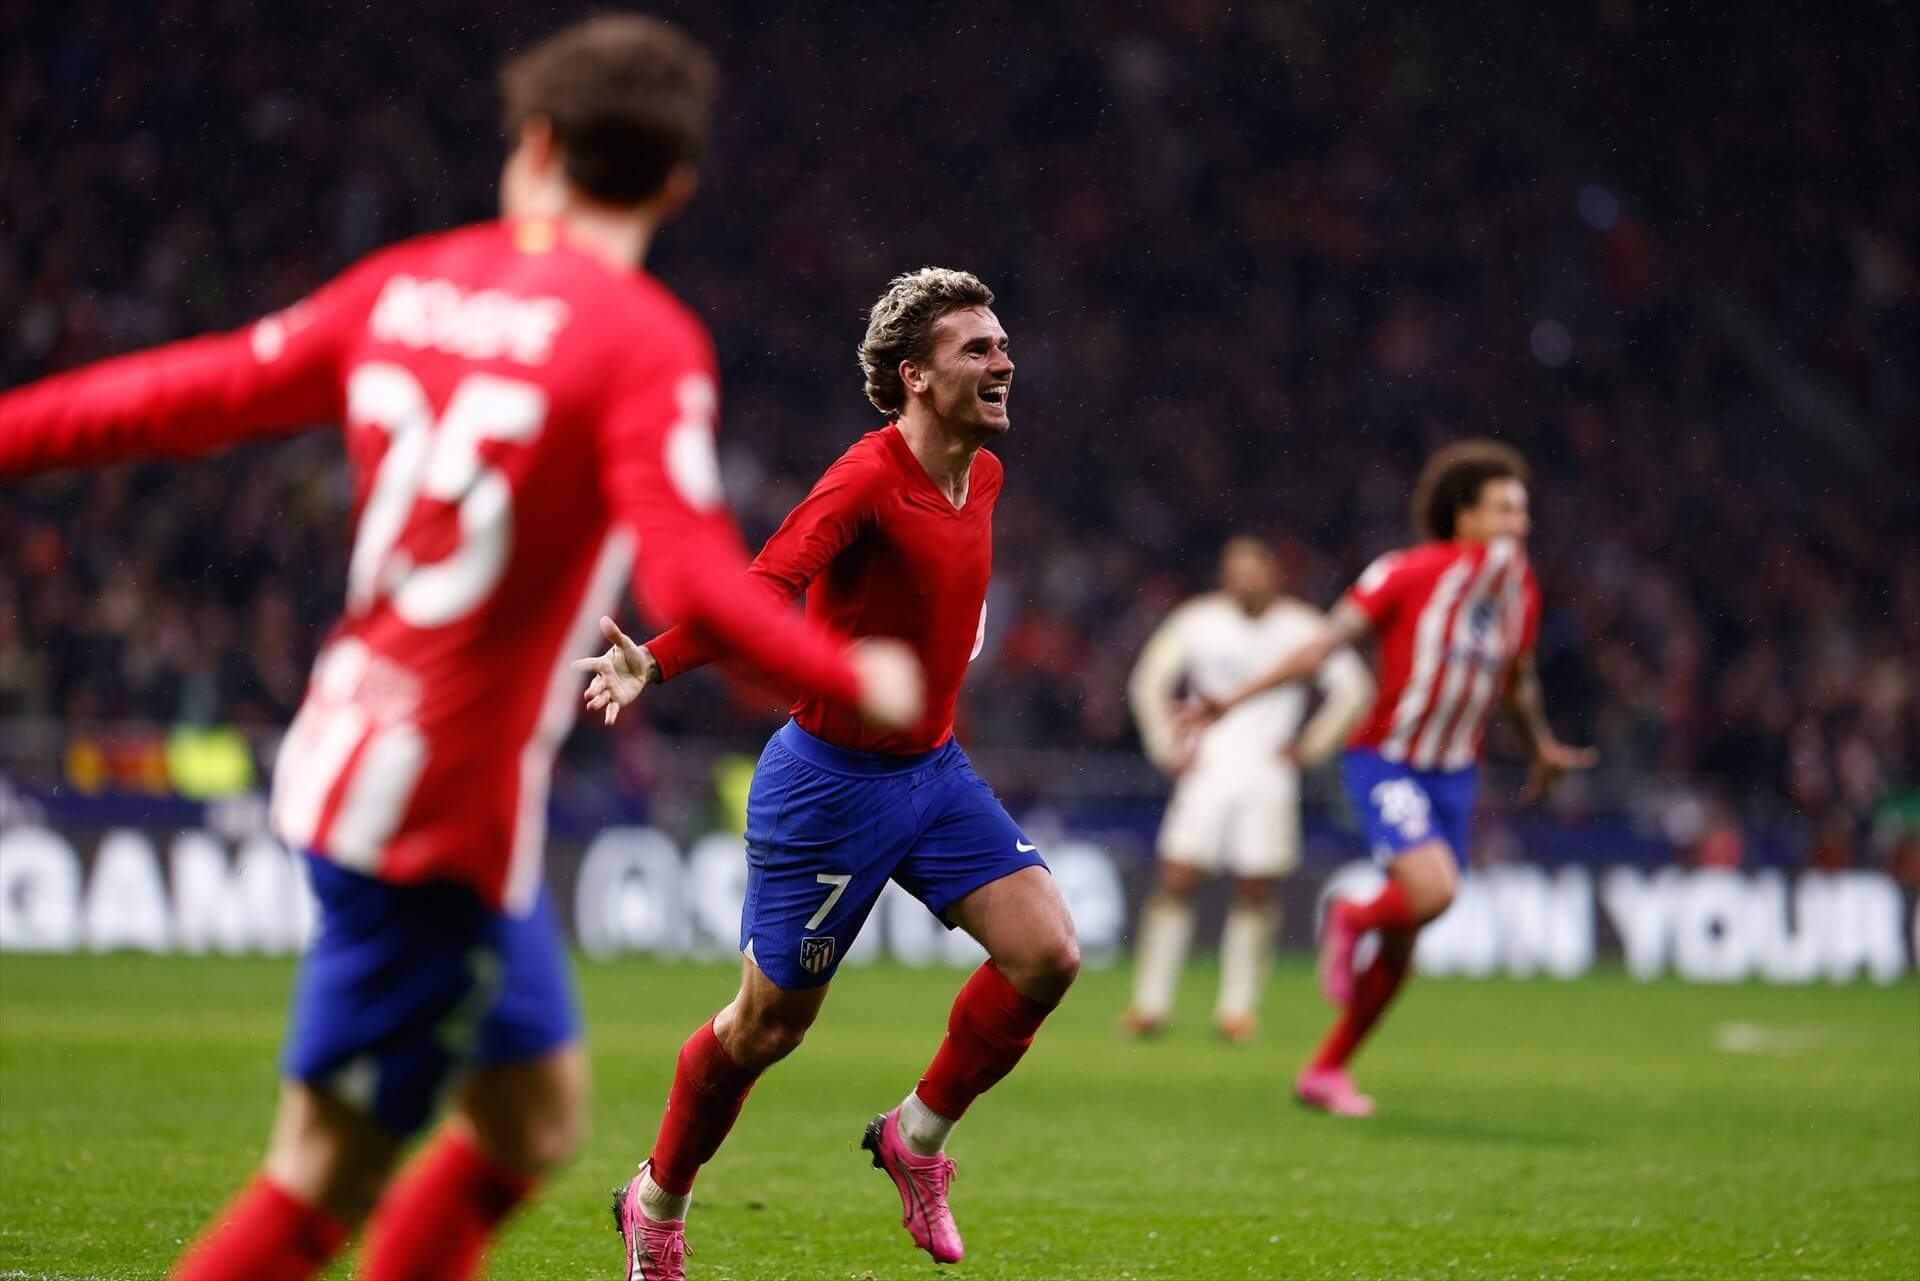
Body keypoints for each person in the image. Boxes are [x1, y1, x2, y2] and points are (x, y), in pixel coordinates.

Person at [0, 17, 923, 1281]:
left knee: (530, 1121)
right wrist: (840, 670)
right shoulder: (640, 338)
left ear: (533, 144)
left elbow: (188, 395)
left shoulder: (406, 285)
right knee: (321, 1179)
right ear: (672, 186)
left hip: (366, 754)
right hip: (433, 812)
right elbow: (694, 569)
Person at [578, 268, 1080, 1280]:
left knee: (1047, 954)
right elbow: (763, 587)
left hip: (933, 774)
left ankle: (915, 1139)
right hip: (828, 790)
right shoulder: (864, 478)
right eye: (976, 350)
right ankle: (656, 1200)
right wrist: (656, 660)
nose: (1002, 361)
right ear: (914, 378)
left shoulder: (982, 474)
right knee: (765, 1032)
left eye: (1002, 343)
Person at [1190, 440, 1594, 1117]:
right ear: (1461, 515)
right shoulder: (1404, 572)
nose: (1518, 525)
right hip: (1387, 759)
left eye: (1523, 511)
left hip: (1454, 775)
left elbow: (1517, 680)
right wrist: (1233, 700)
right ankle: (1349, 913)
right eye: (1503, 509)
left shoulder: (1518, 589)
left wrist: (1540, 745)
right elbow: (1323, 645)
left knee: (1406, 940)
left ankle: (1324, 1071)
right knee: (1434, 891)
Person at [1122, 535, 1373, 1042]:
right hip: (1207, 770)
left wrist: (1309, 747)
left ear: (1275, 574)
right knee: (1176, 878)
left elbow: (1354, 689)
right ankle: (1150, 1004)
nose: (1244, 580)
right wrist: (1168, 746)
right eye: (1234, 570)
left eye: (1253, 570)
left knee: (1255, 888)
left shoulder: (1303, 627)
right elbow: (1148, 682)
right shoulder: (1195, 621)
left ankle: (1237, 1011)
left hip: (1267, 774)